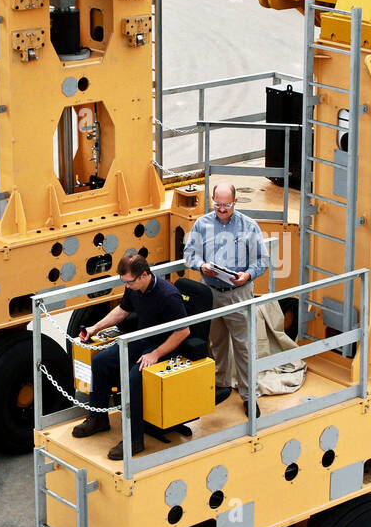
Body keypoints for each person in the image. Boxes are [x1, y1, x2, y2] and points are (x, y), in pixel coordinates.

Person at [72, 252, 189, 460]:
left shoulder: (168, 295)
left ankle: (135, 440)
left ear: (144, 275)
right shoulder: (134, 289)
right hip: (144, 339)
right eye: (123, 281)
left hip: (163, 346)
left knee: (134, 378)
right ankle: (98, 418)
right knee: (100, 362)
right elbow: (122, 310)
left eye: (130, 281)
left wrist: (155, 354)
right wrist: (95, 328)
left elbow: (183, 332)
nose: (126, 286)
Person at [183, 182, 269, 414]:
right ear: (212, 200)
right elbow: (189, 254)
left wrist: (247, 275)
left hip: (237, 293)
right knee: (217, 342)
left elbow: (261, 260)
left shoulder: (249, 226)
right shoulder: (202, 225)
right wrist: (202, 266)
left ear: (235, 202)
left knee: (243, 345)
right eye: (217, 205)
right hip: (210, 293)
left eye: (226, 205)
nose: (221, 209)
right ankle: (221, 385)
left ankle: (249, 395)